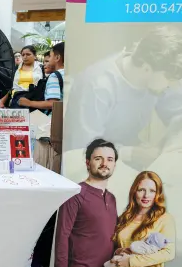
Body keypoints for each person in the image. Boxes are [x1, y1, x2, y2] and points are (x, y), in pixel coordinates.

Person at [64, 26, 182, 169]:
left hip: (127, 158)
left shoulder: (156, 79)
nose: (171, 85)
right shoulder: (97, 86)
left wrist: (169, 145)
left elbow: (177, 114)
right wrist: (131, 153)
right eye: (168, 79)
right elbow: (83, 149)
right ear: (146, 68)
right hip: (90, 165)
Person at [54, 139, 119, 267]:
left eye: (110, 159)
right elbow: (62, 235)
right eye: (98, 158)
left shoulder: (112, 199)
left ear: (114, 164)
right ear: (88, 162)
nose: (105, 163)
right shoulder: (76, 193)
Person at [108, 171, 175, 267]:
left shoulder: (164, 219)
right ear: (134, 192)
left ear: (158, 194)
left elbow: (168, 253)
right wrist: (119, 251)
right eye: (141, 190)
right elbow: (115, 248)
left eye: (152, 191)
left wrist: (132, 262)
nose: (146, 195)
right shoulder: (124, 218)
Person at [18, 42, 65, 112]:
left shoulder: (54, 76)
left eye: (51, 56)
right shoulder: (67, 73)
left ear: (57, 57)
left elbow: (52, 103)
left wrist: (29, 103)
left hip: (53, 119)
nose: (48, 60)